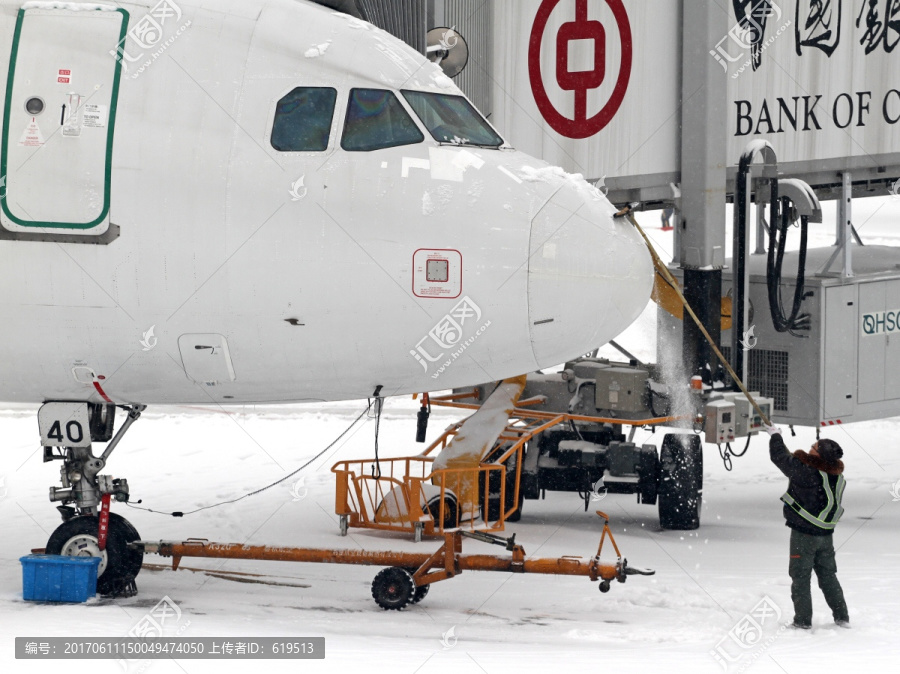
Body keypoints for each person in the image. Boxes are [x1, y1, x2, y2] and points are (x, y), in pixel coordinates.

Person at [765, 426, 849, 629]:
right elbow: (792, 461)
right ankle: (842, 617)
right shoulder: (836, 477)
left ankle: (802, 621)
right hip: (826, 536)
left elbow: (781, 458)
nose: (810, 447)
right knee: (828, 577)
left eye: (813, 447)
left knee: (800, 578)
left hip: (804, 536)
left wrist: (775, 436)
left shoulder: (806, 473)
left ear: (818, 455)